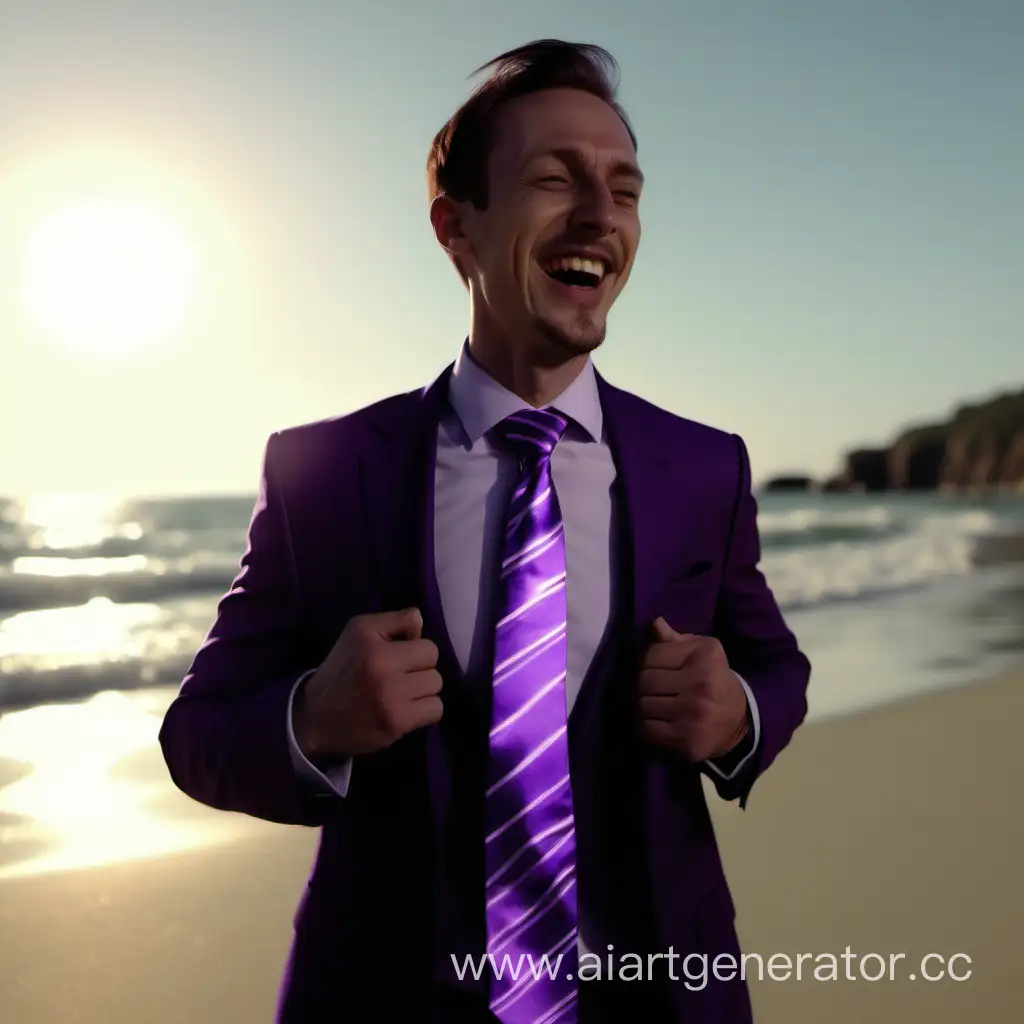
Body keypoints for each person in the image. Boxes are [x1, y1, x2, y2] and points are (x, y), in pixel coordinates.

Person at [159, 38, 810, 1024]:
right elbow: (197, 733)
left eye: (624, 191)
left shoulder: (703, 465)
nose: (599, 215)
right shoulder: (324, 473)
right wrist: (312, 717)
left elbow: (773, 667)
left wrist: (738, 719)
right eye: (555, 178)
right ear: (454, 227)